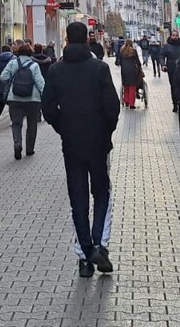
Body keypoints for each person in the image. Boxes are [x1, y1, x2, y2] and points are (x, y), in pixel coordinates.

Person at [42, 21, 121, 279]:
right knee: (102, 193)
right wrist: (106, 130)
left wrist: (63, 128)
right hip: (98, 142)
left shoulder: (55, 70)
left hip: (72, 144)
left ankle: (84, 254)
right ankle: (99, 245)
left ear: (66, 39)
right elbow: (113, 106)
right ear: (87, 39)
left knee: (78, 198)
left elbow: (48, 108)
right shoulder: (99, 68)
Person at [0, 43, 46, 160]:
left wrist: (12, 81)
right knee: (32, 124)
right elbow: (40, 82)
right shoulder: (34, 65)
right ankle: (29, 149)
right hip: (32, 100)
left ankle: (17, 144)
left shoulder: (12, 63)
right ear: (30, 53)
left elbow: (3, 77)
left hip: (14, 99)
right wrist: (46, 96)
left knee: (16, 123)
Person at [0, 43, 15, 128]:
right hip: (9, 84)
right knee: (11, 104)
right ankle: (12, 121)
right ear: (10, 50)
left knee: (1, 103)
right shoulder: (13, 59)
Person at [118, 40, 144, 109]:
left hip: (124, 71)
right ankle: (131, 103)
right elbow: (137, 61)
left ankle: (126, 101)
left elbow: (117, 62)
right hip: (132, 70)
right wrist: (139, 66)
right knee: (132, 87)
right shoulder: (133, 51)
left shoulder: (122, 51)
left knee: (126, 87)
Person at [162, 32, 180, 111]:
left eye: (176, 35)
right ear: (171, 36)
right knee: (174, 86)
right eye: (173, 35)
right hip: (171, 69)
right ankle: (175, 103)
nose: (175, 37)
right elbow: (162, 55)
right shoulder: (167, 47)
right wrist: (163, 65)